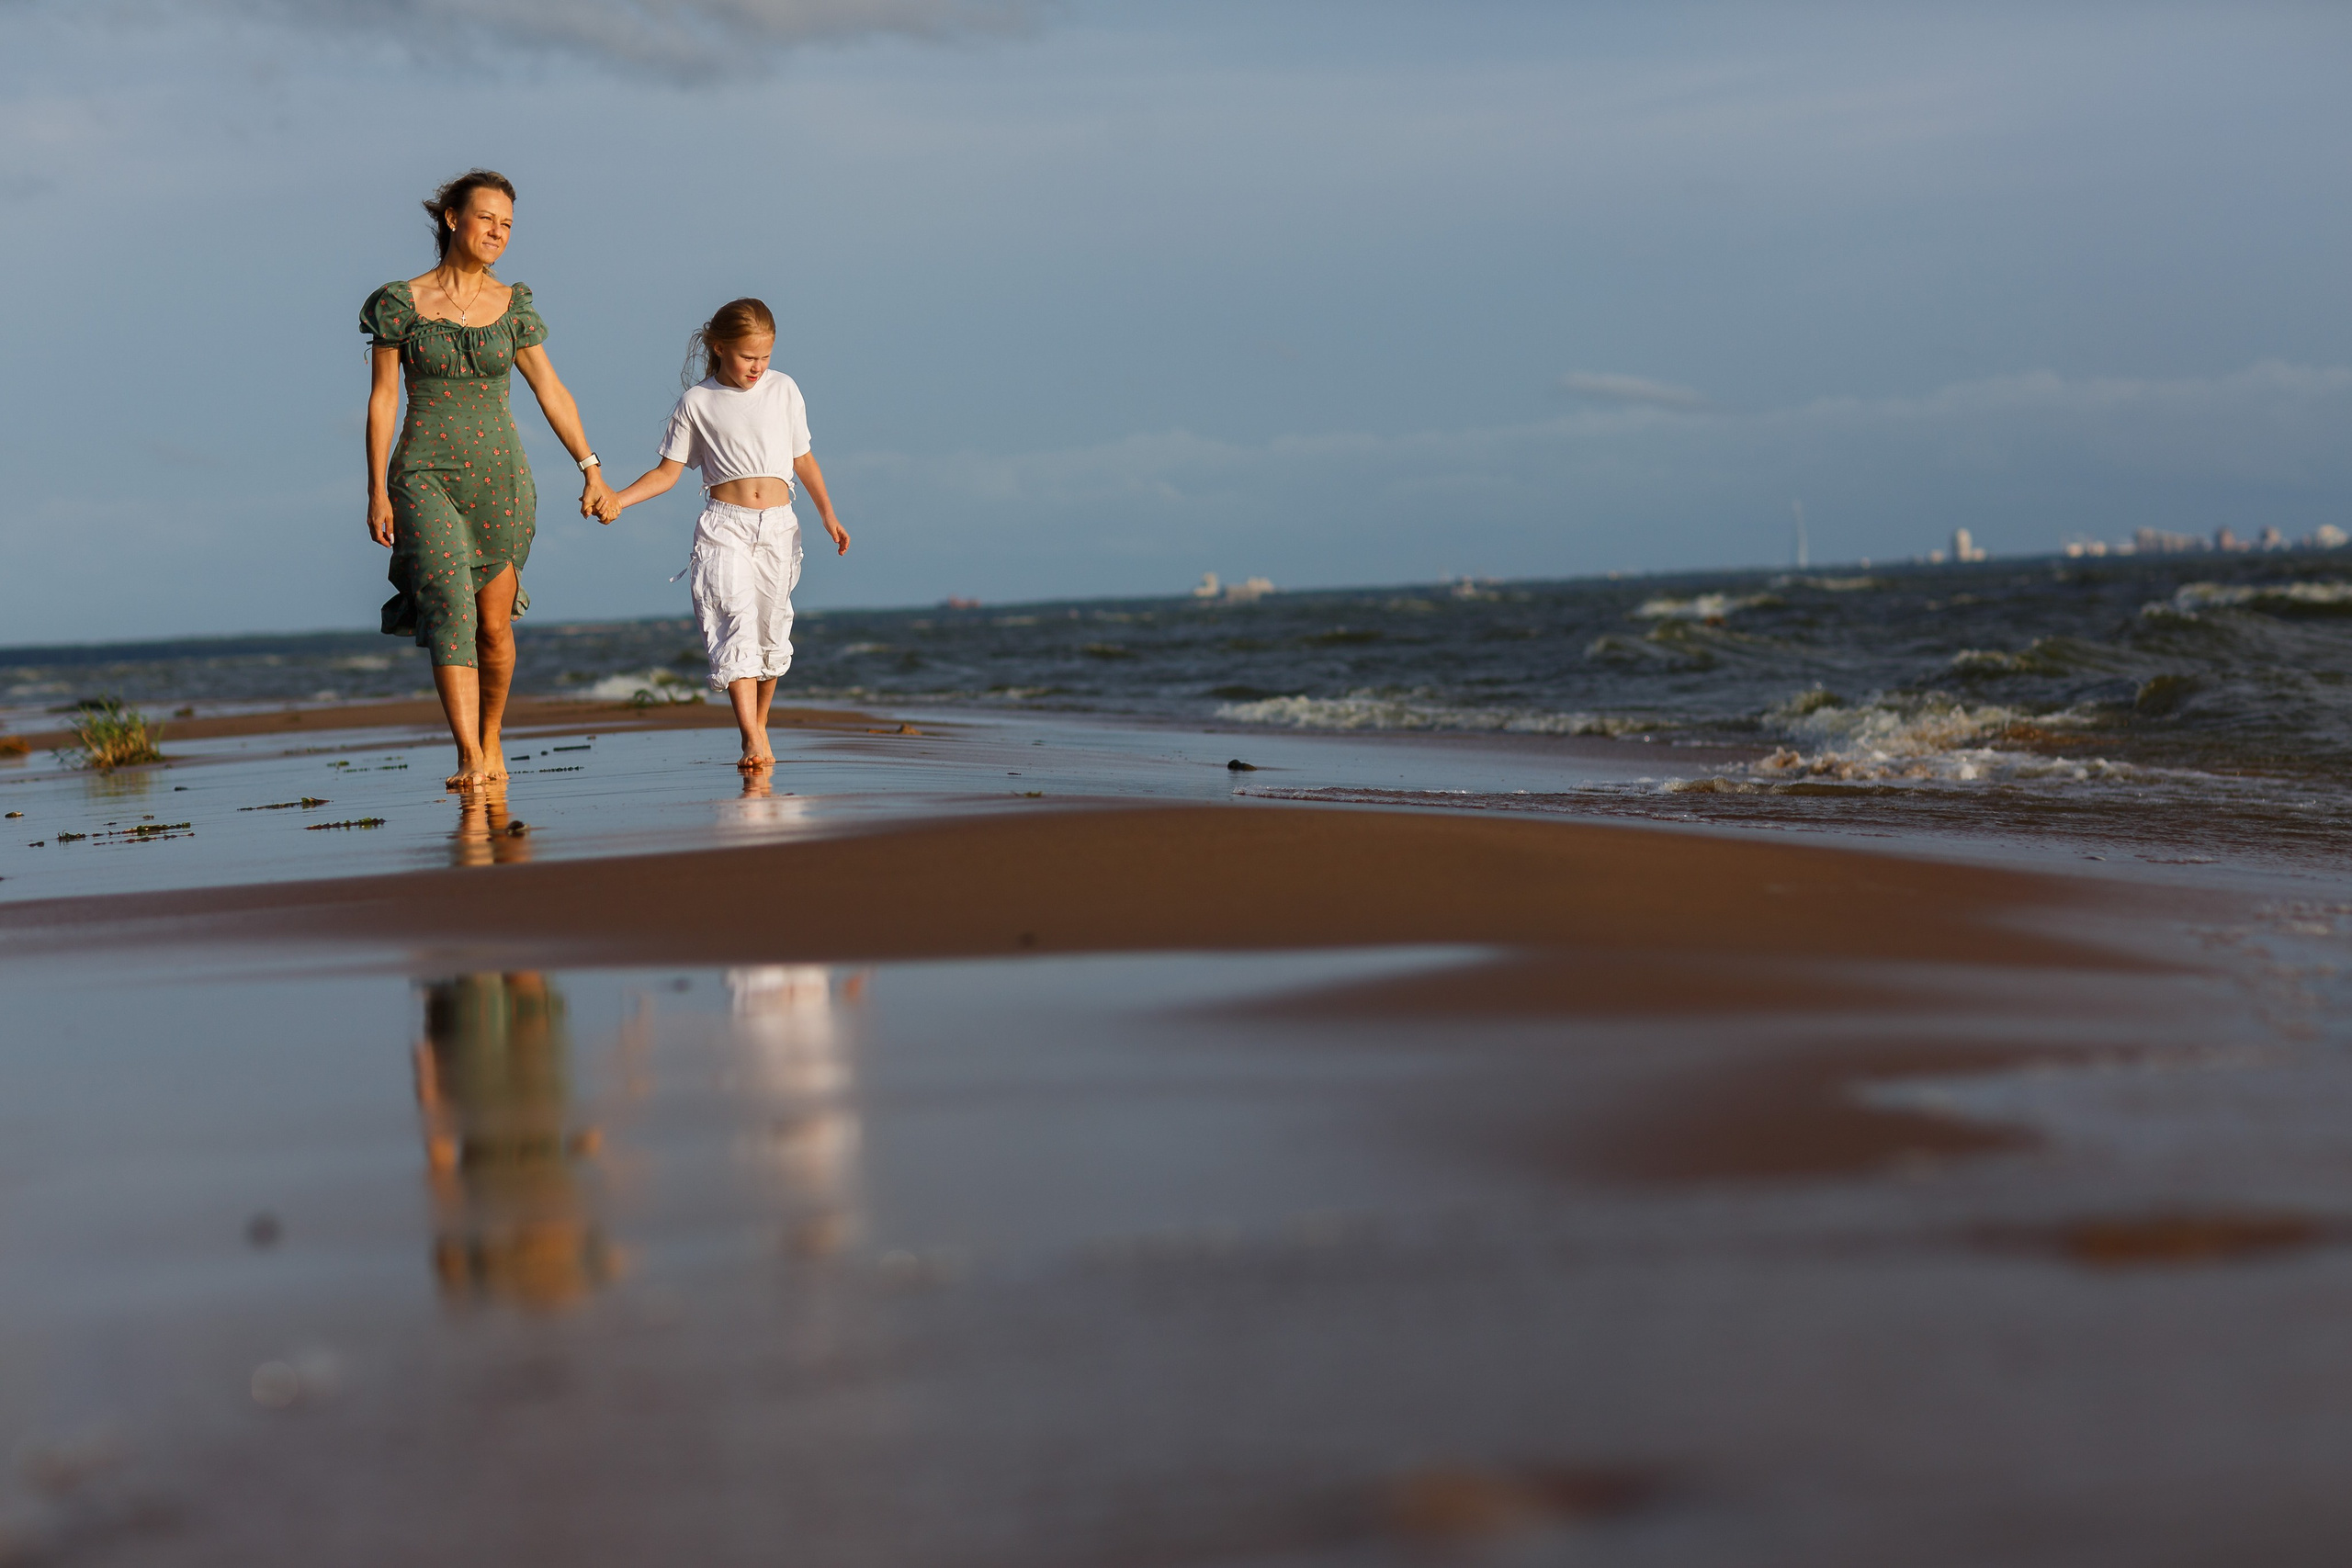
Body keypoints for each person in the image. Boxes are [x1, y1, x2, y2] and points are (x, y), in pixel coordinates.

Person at [362, 169, 616, 788]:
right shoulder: (401, 302)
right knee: (449, 609)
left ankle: (492, 732)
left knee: (495, 629)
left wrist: (592, 469)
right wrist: (376, 490)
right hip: (424, 474)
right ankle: (469, 757)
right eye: (486, 218)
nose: (498, 232)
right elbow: (383, 400)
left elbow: (551, 390)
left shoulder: (513, 306)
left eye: (507, 224)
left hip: (500, 480)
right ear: (453, 218)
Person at [604, 299, 851, 772]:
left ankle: (757, 732)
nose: (757, 367)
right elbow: (666, 473)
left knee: (770, 633)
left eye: (765, 357)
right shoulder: (697, 402)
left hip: (780, 526)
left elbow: (803, 459)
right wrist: (618, 498)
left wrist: (828, 514)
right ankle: (752, 738)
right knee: (734, 620)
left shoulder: (785, 390)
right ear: (719, 349)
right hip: (725, 526)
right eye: (746, 357)